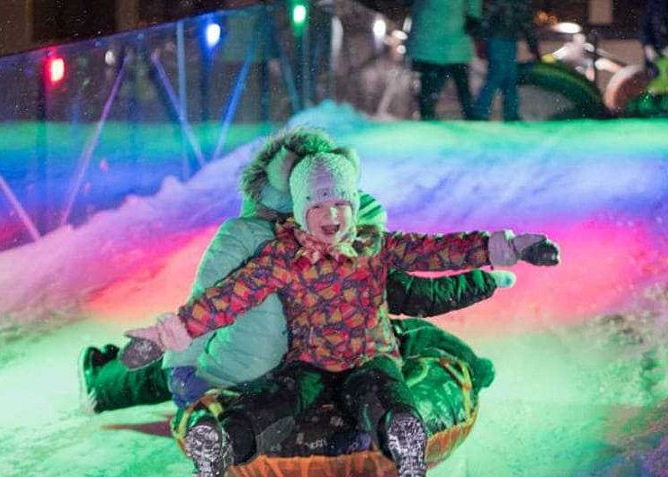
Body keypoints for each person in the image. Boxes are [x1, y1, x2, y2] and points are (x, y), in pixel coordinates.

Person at [125, 148, 559, 477]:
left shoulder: (375, 246)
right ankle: (224, 445)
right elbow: (227, 298)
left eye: (340, 204)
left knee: (380, 391)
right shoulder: (282, 257)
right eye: (318, 206)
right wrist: (167, 335)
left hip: (369, 355)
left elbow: (436, 251)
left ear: (354, 204)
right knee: (275, 400)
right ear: (299, 210)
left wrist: (508, 248)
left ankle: (403, 436)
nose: (332, 217)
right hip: (308, 362)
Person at [82, 127, 502, 413]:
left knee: (406, 335)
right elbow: (208, 301)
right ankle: (102, 380)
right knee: (159, 375)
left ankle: (470, 366)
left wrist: (480, 276)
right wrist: (181, 368)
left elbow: (400, 285)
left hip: (329, 345)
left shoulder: (353, 224)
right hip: (257, 359)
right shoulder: (249, 237)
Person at [405, 0, 482, 120]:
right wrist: (473, 16)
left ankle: (427, 114)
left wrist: (473, 16)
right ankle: (469, 114)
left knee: (432, 82)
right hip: (449, 35)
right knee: (458, 82)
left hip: (438, 36)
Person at [471, 0, 540, 121]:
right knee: (500, 75)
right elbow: (525, 22)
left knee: (506, 76)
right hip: (500, 39)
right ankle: (483, 112)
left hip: (503, 39)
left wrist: (481, 37)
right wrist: (533, 45)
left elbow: (488, 16)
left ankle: (503, 112)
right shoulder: (518, 4)